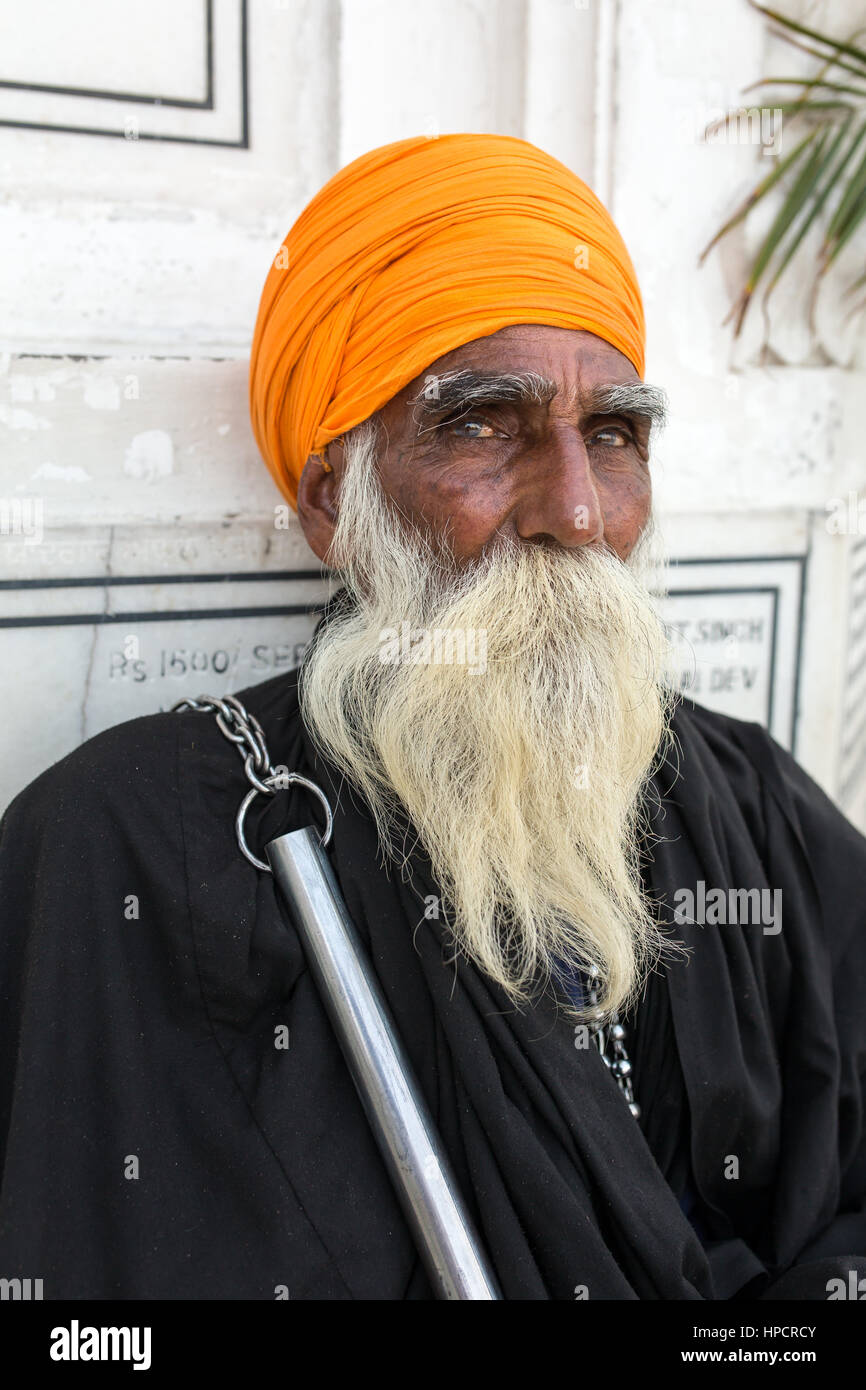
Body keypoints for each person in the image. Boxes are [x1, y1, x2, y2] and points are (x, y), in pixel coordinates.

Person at [1, 133, 864, 1301]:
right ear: (331, 503)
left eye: (609, 433)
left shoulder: (745, 803)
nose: (572, 506)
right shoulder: (143, 842)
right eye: (483, 426)